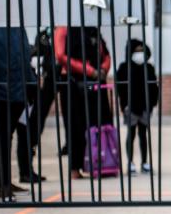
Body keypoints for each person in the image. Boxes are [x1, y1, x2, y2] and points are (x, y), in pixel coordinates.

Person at [54, 26, 111, 179]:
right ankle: (75, 167)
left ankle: (99, 164)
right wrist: (88, 70)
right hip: (73, 83)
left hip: (95, 82)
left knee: (97, 123)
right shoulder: (63, 29)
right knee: (75, 126)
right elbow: (60, 55)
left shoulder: (92, 29)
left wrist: (104, 69)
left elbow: (105, 54)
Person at [0, 27, 33, 202]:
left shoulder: (17, 25)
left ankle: (6, 180)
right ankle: (1, 184)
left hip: (19, 90)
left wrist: (30, 84)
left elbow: (24, 55)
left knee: (8, 137)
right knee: (1, 138)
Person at [16, 28, 59, 185]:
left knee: (33, 135)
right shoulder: (42, 38)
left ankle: (28, 170)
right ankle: (24, 171)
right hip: (30, 99)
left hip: (41, 97)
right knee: (26, 134)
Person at [116, 39, 159, 175]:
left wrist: (152, 104)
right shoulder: (124, 67)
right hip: (131, 107)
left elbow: (154, 88)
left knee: (143, 135)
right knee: (131, 134)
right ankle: (130, 163)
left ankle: (145, 162)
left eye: (142, 51)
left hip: (145, 107)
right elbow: (120, 89)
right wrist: (124, 106)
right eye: (137, 51)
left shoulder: (149, 68)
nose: (140, 54)